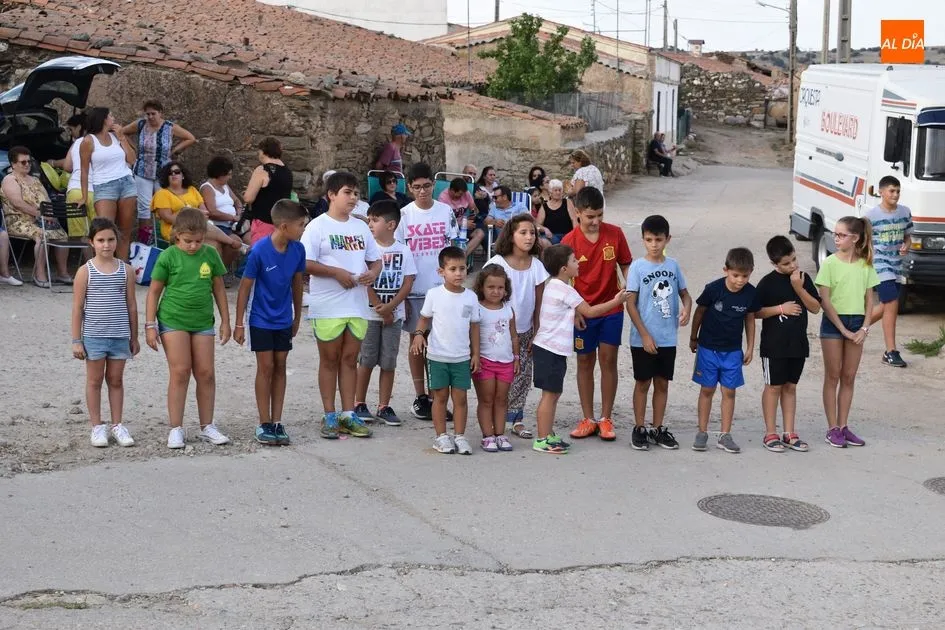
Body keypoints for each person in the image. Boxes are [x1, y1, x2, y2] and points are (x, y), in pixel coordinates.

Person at [302, 171, 382, 439]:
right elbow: (305, 262)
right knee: (329, 360)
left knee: (350, 360)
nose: (353, 197)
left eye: (356, 193)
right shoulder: (317, 226)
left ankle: (349, 413)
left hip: (356, 304)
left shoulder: (360, 226)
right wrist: (336, 273)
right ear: (332, 195)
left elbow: (375, 259)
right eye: (348, 192)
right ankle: (330, 415)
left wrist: (374, 272)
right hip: (327, 305)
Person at [144, 208, 232, 449]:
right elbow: (153, 292)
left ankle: (207, 426)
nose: (193, 246)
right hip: (173, 319)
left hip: (203, 321)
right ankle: (176, 428)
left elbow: (219, 290)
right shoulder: (168, 256)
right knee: (180, 371)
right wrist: (150, 325)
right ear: (176, 236)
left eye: (198, 241)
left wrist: (226, 320)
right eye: (187, 241)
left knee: (206, 373)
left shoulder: (211, 254)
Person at [532, 245, 630, 454]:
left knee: (554, 393)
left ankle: (548, 434)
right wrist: (616, 301)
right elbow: (591, 312)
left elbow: (568, 310)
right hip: (550, 350)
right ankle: (542, 439)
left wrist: (574, 316)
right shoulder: (566, 289)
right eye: (574, 260)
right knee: (549, 395)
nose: (579, 263)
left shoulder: (554, 285)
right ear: (563, 268)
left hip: (549, 349)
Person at [234, 200, 308, 446]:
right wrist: (239, 323)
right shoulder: (259, 250)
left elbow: (297, 284)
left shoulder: (298, 250)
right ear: (284, 226)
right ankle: (263, 422)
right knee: (265, 367)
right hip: (261, 318)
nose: (303, 230)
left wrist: (297, 316)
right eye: (301, 225)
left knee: (280, 364)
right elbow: (244, 288)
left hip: (283, 319)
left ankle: (277, 421)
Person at [563, 187, 632, 441]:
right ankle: (588, 418)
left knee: (608, 359)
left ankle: (605, 418)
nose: (595, 221)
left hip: (612, 308)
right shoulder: (569, 241)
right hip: (583, 312)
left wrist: (628, 282)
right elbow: (561, 281)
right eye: (590, 216)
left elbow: (626, 264)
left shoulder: (615, 234)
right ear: (578, 213)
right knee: (584, 361)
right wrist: (573, 310)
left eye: (600, 215)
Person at [395, 162, 457, 420]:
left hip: (441, 288)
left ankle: (438, 396)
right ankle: (421, 395)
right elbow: (397, 255)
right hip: (414, 289)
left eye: (427, 186)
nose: (422, 191)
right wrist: (402, 293)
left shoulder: (445, 211)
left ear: (434, 185)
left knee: (440, 343)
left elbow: (453, 248)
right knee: (417, 342)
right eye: (417, 187)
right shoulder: (404, 215)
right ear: (409, 188)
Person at [70, 218, 138, 448]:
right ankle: (97, 426)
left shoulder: (126, 270)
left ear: (117, 241)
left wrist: (134, 337)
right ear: (92, 242)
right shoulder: (84, 271)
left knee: (116, 380)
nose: (106, 245)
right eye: (101, 240)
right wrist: (76, 340)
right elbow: (78, 307)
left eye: (110, 239)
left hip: (119, 335)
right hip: (94, 336)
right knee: (95, 380)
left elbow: (131, 305)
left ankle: (117, 424)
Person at [625, 215, 692, 451]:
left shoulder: (672, 265)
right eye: (649, 240)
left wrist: (687, 307)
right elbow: (630, 303)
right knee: (642, 382)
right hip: (642, 338)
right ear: (643, 240)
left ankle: (658, 427)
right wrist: (643, 334)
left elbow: (685, 293)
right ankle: (640, 427)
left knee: (662, 383)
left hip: (667, 337)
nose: (654, 245)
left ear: (668, 239)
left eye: (659, 240)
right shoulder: (637, 267)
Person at [689, 247, 760, 454]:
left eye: (744, 276)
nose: (739, 280)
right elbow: (699, 312)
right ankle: (702, 432)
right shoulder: (713, 289)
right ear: (725, 270)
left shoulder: (751, 293)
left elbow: (750, 319)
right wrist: (694, 337)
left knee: (729, 392)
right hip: (708, 349)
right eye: (735, 275)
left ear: (751, 272)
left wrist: (750, 347)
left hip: (732, 351)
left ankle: (724, 435)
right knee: (707, 389)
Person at [410, 246, 481, 455]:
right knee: (439, 398)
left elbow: (474, 327)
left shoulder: (471, 297)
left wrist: (475, 353)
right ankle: (441, 437)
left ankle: (460, 436)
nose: (458, 273)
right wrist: (418, 335)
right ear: (441, 272)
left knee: (461, 399)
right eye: (452, 269)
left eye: (462, 268)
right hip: (437, 356)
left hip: (461, 357)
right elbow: (424, 318)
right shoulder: (434, 294)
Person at [815, 216, 879, 449]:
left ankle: (843, 426)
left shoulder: (865, 264)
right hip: (834, 323)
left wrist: (864, 327)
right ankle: (832, 428)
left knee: (849, 376)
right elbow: (825, 300)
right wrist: (842, 329)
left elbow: (869, 298)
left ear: (856, 238)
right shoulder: (830, 263)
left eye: (841, 235)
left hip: (857, 323)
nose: (836, 238)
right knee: (833, 375)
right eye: (835, 234)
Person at [755, 235, 821, 453]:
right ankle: (770, 432)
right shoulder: (766, 283)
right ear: (774, 264)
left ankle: (789, 432)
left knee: (790, 387)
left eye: (794, 259)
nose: (792, 265)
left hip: (798, 345)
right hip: (774, 346)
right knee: (773, 387)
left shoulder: (802, 278)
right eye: (786, 263)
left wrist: (799, 288)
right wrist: (780, 309)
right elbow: (755, 311)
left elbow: (815, 307)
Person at [353, 200, 417, 426]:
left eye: (374, 220)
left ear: (390, 225)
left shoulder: (403, 250)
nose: (369, 224)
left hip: (394, 315)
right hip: (370, 314)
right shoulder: (368, 250)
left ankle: (384, 405)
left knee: (389, 361)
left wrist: (391, 308)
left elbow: (408, 281)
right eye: (369, 219)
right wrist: (380, 306)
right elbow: (364, 280)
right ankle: (359, 403)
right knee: (367, 359)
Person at [486, 214, 549, 439]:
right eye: (523, 232)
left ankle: (516, 419)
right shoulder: (497, 264)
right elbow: (485, 297)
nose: (529, 237)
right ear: (511, 236)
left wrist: (537, 331)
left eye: (532, 232)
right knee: (498, 376)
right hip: (498, 332)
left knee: (521, 375)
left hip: (525, 331)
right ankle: (493, 419)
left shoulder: (537, 266)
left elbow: (539, 302)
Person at [0, 146, 70, 287]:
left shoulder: (35, 180)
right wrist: (40, 215)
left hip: (41, 219)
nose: (27, 165)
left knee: (62, 235)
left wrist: (51, 216)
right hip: (19, 220)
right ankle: (40, 274)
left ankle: (62, 273)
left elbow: (47, 201)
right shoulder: (10, 180)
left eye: (29, 161)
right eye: (23, 162)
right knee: (42, 235)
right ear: (13, 164)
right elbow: (18, 203)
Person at [121, 99, 196, 223]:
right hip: (143, 170)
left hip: (163, 172)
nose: (150, 117)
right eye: (148, 114)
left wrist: (175, 151)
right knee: (144, 207)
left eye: (153, 113)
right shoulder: (140, 124)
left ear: (160, 113)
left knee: (164, 204)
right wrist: (133, 147)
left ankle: (162, 236)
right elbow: (122, 132)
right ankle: (144, 238)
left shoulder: (170, 127)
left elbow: (190, 138)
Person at [864, 175, 913, 368]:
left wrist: (906, 246)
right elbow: (863, 241)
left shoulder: (904, 212)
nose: (895, 194)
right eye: (892, 191)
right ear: (881, 192)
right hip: (879, 263)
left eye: (898, 191)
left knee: (889, 305)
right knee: (891, 301)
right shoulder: (871, 216)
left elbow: (908, 236)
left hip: (897, 264)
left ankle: (860, 327)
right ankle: (890, 351)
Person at [151, 162, 246, 259]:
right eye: (169, 173)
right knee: (203, 228)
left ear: (183, 175)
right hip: (176, 230)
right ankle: (230, 242)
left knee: (214, 245)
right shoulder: (162, 194)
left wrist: (192, 214)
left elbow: (205, 213)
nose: (173, 175)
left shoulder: (192, 190)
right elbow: (168, 218)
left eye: (177, 172)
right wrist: (188, 214)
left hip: (198, 227)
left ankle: (217, 272)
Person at [79, 107, 137, 260]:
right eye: (110, 115)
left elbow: (131, 160)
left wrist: (122, 137)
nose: (113, 118)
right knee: (104, 231)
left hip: (126, 183)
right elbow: (84, 170)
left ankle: (122, 269)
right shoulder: (88, 141)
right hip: (104, 186)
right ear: (103, 119)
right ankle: (104, 269)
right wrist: (84, 196)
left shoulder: (117, 136)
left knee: (124, 231)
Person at [473, 264, 518, 452]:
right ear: (481, 287)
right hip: (485, 361)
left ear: (505, 289)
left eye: (500, 287)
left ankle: (500, 433)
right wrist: (474, 356)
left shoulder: (508, 309)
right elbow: (472, 334)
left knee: (502, 399)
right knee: (486, 399)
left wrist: (516, 357)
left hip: (506, 362)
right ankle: (487, 435)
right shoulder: (477, 309)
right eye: (491, 287)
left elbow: (514, 335)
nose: (496, 291)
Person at [244, 137, 293, 245]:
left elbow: (248, 198)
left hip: (264, 221)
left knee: (262, 256)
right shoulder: (287, 172)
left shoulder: (262, 170)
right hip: (282, 222)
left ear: (263, 151)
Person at [54, 112, 96, 236]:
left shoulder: (78, 142)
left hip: (76, 189)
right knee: (99, 232)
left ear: (79, 127)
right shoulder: (102, 141)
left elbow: (67, 166)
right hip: (97, 192)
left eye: (71, 129)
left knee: (80, 235)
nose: (71, 133)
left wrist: (53, 162)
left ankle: (86, 256)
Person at [200, 156, 246, 268]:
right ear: (220, 174)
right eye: (228, 174)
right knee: (236, 242)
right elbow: (212, 212)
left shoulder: (225, 186)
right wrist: (232, 218)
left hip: (234, 224)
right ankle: (222, 271)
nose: (230, 177)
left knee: (251, 238)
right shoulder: (207, 188)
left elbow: (237, 201)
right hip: (219, 226)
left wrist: (238, 213)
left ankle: (243, 272)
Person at [437, 177, 484, 256]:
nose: (461, 196)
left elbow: (475, 209)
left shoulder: (465, 194)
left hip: (463, 227)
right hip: (449, 229)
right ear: (451, 190)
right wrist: (462, 223)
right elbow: (444, 220)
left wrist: (473, 213)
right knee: (450, 238)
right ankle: (457, 258)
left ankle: (461, 256)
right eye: (459, 194)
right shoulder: (443, 198)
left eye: (462, 194)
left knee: (480, 233)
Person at [536, 178, 575, 245]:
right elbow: (537, 225)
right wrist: (545, 229)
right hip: (551, 237)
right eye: (555, 190)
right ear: (550, 192)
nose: (558, 192)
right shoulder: (544, 207)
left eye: (560, 190)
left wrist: (576, 234)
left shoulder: (567, 202)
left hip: (567, 236)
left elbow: (574, 219)